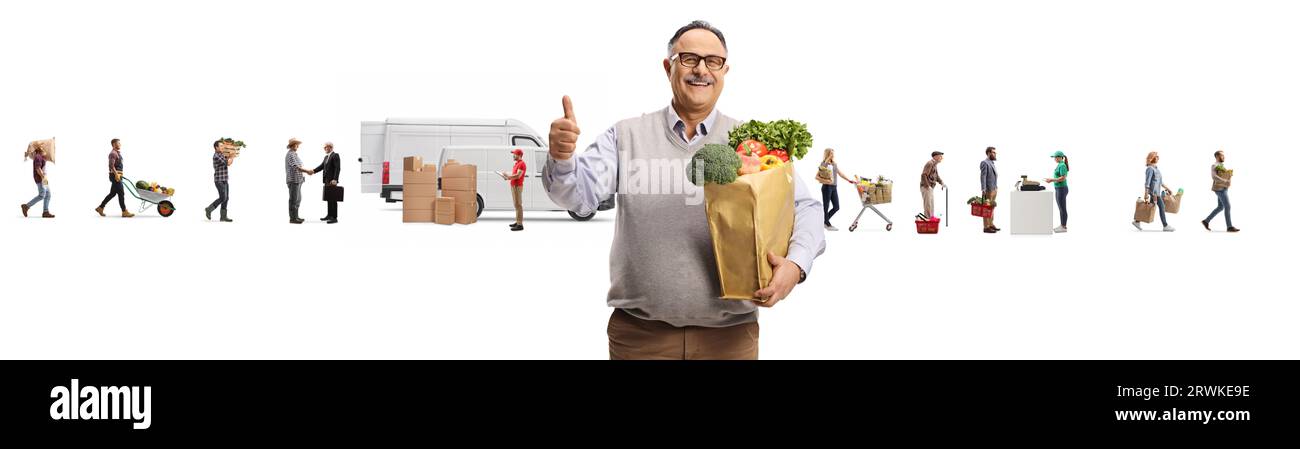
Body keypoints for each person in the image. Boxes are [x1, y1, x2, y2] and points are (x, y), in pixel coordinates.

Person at [543, 20, 825, 360]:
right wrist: (562, 159)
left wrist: (795, 266)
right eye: (689, 58)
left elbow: (806, 208)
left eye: (713, 61)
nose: (701, 70)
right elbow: (578, 197)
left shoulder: (750, 141)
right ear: (669, 67)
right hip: (640, 337)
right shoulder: (626, 136)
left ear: (725, 70)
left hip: (730, 338)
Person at [1134, 151, 1174, 232]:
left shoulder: (1156, 169)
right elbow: (1147, 182)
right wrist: (1146, 193)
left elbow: (1160, 182)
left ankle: (1137, 221)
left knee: (1149, 207)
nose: (1158, 158)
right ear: (1152, 158)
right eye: (1156, 156)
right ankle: (1165, 225)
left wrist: (1168, 188)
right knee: (1162, 207)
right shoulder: (1150, 169)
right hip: (1154, 193)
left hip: (1157, 192)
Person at [817, 148, 854, 231]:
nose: (833, 155)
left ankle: (823, 221)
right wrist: (827, 159)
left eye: (833, 153)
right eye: (831, 153)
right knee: (826, 206)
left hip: (834, 187)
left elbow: (840, 173)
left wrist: (849, 180)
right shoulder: (823, 163)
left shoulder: (834, 164)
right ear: (827, 154)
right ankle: (827, 223)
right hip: (826, 187)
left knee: (836, 207)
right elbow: (821, 170)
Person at [1202, 150, 1239, 233]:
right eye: (1222, 156)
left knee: (1220, 207)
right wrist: (1225, 180)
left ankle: (1206, 221)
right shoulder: (1214, 165)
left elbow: (1222, 175)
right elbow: (1214, 177)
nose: (1224, 157)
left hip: (1224, 188)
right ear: (1217, 156)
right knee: (1228, 206)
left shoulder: (1221, 165)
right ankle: (1229, 227)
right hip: (1219, 189)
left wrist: (1228, 175)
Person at [95, 138, 133, 218]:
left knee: (112, 193)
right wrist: (116, 175)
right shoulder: (113, 153)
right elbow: (111, 165)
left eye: (119, 143)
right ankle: (124, 211)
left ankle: (100, 207)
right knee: (121, 194)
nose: (119, 144)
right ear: (113, 144)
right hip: (115, 176)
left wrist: (119, 175)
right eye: (117, 143)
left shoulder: (117, 153)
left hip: (118, 176)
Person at [21, 143, 54, 218]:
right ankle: (26, 206)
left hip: (43, 178)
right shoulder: (38, 157)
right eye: (42, 148)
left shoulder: (40, 157)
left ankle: (45, 212)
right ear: (39, 149)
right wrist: (43, 177)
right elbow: (38, 168)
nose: (44, 149)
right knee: (42, 195)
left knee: (48, 194)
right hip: (41, 178)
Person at [285, 138, 314, 224]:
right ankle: (292, 218)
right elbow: (296, 167)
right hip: (293, 180)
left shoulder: (294, 154)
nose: (297, 146)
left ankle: (296, 216)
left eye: (297, 144)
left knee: (298, 199)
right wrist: (307, 171)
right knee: (293, 199)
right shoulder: (290, 154)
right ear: (292, 145)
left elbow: (298, 166)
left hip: (298, 180)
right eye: (296, 144)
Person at [205, 140, 234, 222]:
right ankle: (208, 209)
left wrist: (230, 155)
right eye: (221, 146)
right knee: (223, 197)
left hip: (225, 179)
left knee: (226, 198)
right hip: (219, 180)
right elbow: (228, 163)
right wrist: (232, 156)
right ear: (216, 147)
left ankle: (223, 217)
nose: (222, 147)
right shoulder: (216, 156)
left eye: (223, 146)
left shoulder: (221, 154)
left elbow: (228, 161)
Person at [312, 142, 341, 224]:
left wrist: (335, 179)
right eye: (324, 148)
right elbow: (321, 166)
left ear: (330, 147)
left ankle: (334, 218)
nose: (325, 149)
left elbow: (337, 168)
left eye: (326, 147)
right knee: (328, 198)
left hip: (332, 181)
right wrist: (313, 171)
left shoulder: (335, 155)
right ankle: (329, 215)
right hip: (326, 181)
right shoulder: (326, 157)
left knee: (333, 199)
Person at [498, 148, 527, 231]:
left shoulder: (522, 164)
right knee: (516, 204)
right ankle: (517, 221)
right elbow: (514, 175)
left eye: (515, 154)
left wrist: (508, 177)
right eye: (513, 154)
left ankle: (520, 224)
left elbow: (518, 176)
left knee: (518, 204)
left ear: (519, 155)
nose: (513, 155)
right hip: (514, 185)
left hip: (517, 186)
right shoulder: (517, 163)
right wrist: (507, 177)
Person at [1043, 151, 1069, 233]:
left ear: (1060, 157)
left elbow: (1063, 178)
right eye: (1054, 157)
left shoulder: (1062, 165)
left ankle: (1063, 227)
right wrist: (1051, 180)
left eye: (1055, 157)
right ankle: (1062, 225)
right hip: (1059, 188)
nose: (1054, 159)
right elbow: (1059, 177)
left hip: (1061, 188)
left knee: (1062, 208)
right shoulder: (1060, 165)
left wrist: (1051, 180)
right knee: (1061, 208)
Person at [919, 151, 945, 220]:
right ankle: (927, 220)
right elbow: (923, 175)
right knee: (928, 204)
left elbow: (936, 176)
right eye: (940, 156)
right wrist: (927, 186)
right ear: (935, 157)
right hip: (926, 187)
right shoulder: (930, 163)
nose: (942, 158)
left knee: (931, 204)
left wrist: (942, 182)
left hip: (930, 187)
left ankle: (931, 218)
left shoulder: (934, 164)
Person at [980, 146, 999, 233]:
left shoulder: (992, 163)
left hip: (994, 189)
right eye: (993, 152)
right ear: (988, 153)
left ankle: (991, 224)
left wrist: (996, 188)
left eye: (995, 152)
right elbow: (983, 176)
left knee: (991, 208)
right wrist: (983, 188)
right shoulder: (984, 163)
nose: (995, 154)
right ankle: (986, 227)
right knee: (986, 208)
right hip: (988, 189)